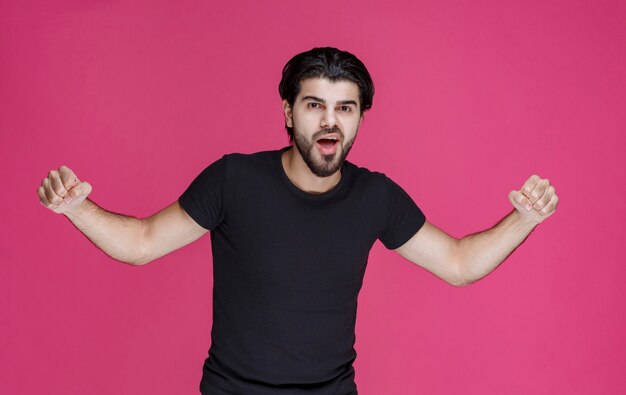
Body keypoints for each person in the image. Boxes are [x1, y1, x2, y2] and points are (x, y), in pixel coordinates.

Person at [37, 47, 559, 394]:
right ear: (289, 112)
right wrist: (76, 208)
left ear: (359, 118)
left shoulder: (375, 196)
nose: (330, 121)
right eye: (315, 105)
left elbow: (459, 263)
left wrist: (524, 219)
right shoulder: (232, 180)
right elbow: (144, 241)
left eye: (345, 108)